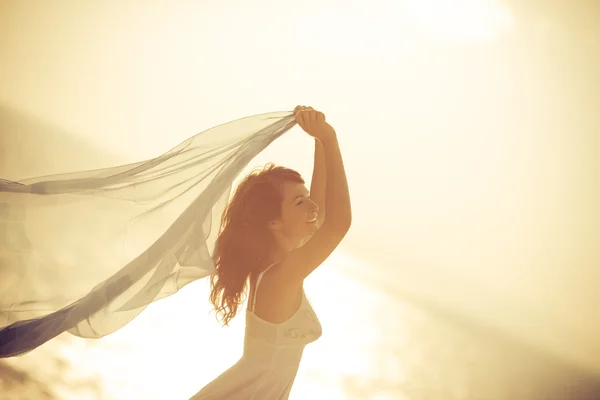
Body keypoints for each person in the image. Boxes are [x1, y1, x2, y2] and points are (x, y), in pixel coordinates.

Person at [189, 106, 352, 399]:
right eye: (300, 202)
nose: (312, 205)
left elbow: (323, 215)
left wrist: (318, 140)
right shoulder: (279, 278)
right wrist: (330, 138)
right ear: (273, 222)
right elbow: (338, 224)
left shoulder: (278, 266)